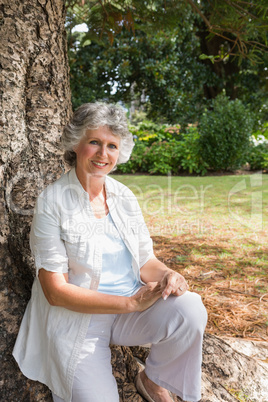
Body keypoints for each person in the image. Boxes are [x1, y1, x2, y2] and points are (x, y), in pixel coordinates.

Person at [13, 103, 207, 402]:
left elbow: (145, 261)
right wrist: (130, 303)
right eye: (95, 142)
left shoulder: (123, 196)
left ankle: (153, 380)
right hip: (78, 322)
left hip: (130, 311)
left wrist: (169, 274)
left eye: (112, 146)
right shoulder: (51, 202)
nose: (103, 154)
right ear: (76, 144)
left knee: (190, 308)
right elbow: (55, 291)